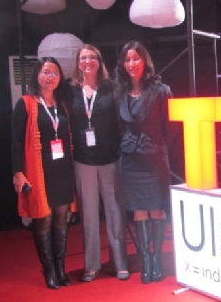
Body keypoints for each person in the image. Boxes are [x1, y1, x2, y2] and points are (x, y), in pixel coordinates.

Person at [12, 57, 76, 289]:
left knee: (61, 218)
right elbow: (17, 140)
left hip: (62, 170)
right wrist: (18, 171)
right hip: (39, 170)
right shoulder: (26, 103)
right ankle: (48, 269)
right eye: (46, 72)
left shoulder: (63, 103)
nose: (50, 77)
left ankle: (60, 268)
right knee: (43, 220)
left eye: (55, 73)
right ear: (37, 75)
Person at [114, 41, 175, 284]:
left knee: (156, 209)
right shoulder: (119, 92)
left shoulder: (161, 91)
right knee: (138, 211)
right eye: (127, 60)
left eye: (136, 59)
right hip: (130, 161)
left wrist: (157, 147)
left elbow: (171, 127)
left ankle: (157, 259)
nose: (131, 64)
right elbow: (119, 127)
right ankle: (146, 260)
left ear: (145, 61)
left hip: (155, 159)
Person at [69, 44, 129, 282]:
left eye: (92, 57)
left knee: (115, 212)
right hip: (83, 160)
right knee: (89, 216)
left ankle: (120, 262)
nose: (87, 61)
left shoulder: (111, 88)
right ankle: (91, 265)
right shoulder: (70, 90)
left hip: (110, 158)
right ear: (77, 62)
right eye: (83, 58)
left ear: (99, 61)